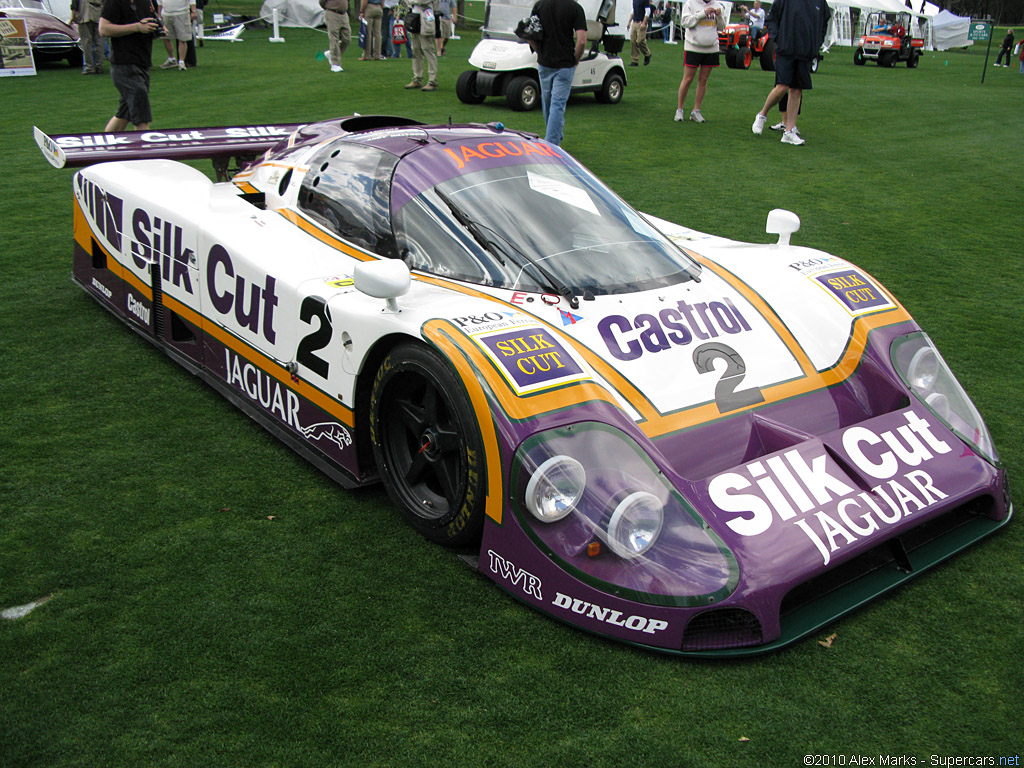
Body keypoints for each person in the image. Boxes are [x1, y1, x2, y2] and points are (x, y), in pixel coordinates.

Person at [750, 0, 831, 145]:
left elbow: (824, 21)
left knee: (797, 90)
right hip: (786, 49)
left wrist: (816, 43)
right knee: (782, 86)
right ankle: (762, 114)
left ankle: (789, 131)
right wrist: (778, 39)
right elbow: (772, 18)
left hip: (805, 52)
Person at [529, 0, 586, 145]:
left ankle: (554, 138)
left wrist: (539, 52)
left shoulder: (540, 5)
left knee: (548, 104)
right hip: (565, 63)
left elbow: (530, 33)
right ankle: (552, 143)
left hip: (545, 62)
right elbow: (582, 41)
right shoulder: (575, 8)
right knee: (557, 105)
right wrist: (576, 60)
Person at [98, 0, 159, 131]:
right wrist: (137, 27)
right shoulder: (114, 2)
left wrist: (156, 29)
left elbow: (148, 24)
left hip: (142, 63)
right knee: (142, 118)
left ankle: (105, 147)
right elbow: (103, 29)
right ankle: (145, 150)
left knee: (124, 115)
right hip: (124, 65)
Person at [674, 0, 725, 123]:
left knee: (703, 79)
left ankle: (696, 110)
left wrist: (719, 16)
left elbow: (722, 27)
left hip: (711, 48)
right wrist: (702, 13)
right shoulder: (690, 4)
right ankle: (679, 109)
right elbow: (685, 22)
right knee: (688, 79)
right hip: (693, 46)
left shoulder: (717, 5)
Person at [404, 0, 439, 90]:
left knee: (428, 50)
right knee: (416, 50)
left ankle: (432, 81)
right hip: (414, 19)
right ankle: (417, 78)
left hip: (426, 20)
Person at [157, 0, 196, 70]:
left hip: (182, 13)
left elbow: (192, 1)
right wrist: (159, 14)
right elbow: (159, 2)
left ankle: (181, 62)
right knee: (165, 37)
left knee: (182, 38)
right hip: (166, 14)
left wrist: (193, 11)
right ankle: (172, 59)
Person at [71, 0, 105, 74]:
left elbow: (74, 4)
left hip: (84, 14)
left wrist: (72, 17)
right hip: (99, 14)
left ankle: (89, 67)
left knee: (86, 42)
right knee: (99, 42)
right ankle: (99, 66)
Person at [320, 0, 351, 71]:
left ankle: (331, 54)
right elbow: (322, 2)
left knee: (347, 39)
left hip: (343, 14)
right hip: (332, 13)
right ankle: (335, 64)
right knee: (334, 38)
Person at [628, 0, 653, 66]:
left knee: (640, 41)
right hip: (635, 22)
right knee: (633, 40)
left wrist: (644, 23)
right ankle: (635, 60)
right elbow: (633, 11)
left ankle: (647, 54)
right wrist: (629, 22)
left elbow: (648, 11)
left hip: (641, 23)